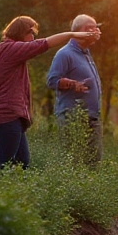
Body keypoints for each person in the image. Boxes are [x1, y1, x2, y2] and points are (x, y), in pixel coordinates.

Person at [0, 16, 93, 169]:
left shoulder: (6, 50)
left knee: (22, 163)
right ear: (21, 32)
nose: (33, 38)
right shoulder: (9, 49)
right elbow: (44, 44)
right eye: (31, 33)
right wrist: (72, 35)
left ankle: (15, 192)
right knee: (5, 166)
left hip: (9, 117)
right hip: (6, 116)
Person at [45, 14, 104, 165]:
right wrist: (72, 84)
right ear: (80, 31)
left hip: (91, 117)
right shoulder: (65, 54)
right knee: (74, 162)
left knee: (93, 163)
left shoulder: (86, 53)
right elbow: (52, 81)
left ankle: (90, 189)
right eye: (91, 28)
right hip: (73, 117)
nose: (96, 31)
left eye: (96, 27)